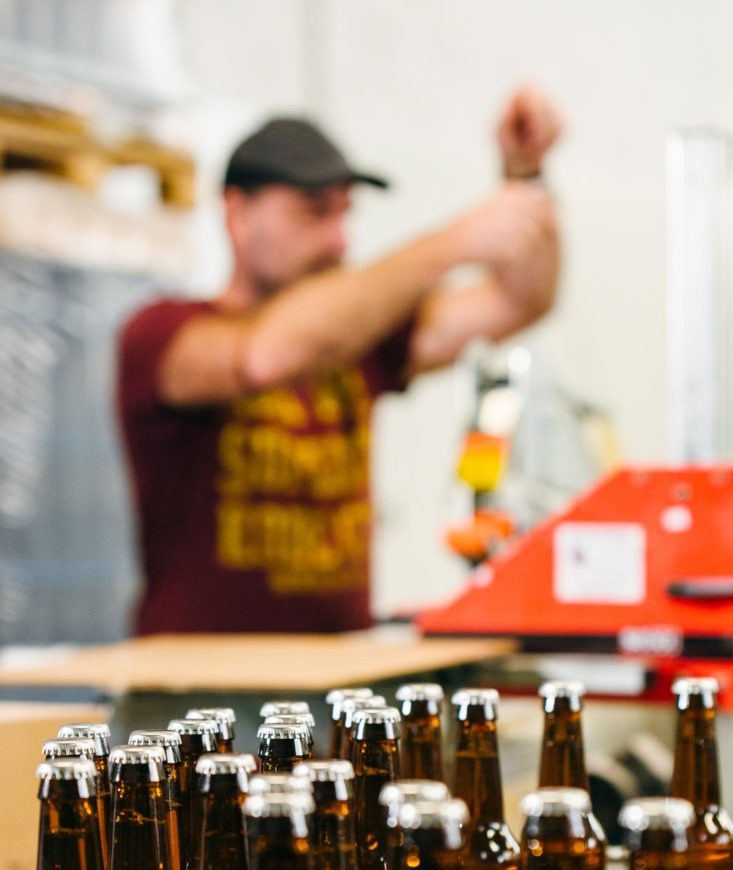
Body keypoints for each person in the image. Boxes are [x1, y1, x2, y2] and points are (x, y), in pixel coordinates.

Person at [117, 86, 562, 635]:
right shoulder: (164, 334)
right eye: (314, 213)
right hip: (199, 698)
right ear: (237, 212)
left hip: (335, 682)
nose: (337, 240)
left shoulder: (361, 339)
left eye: (345, 214)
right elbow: (266, 358)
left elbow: (521, 300)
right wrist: (451, 244)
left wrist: (525, 176)